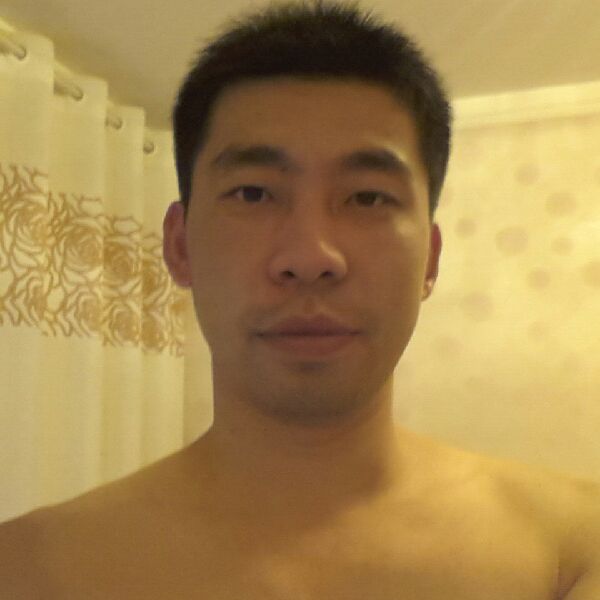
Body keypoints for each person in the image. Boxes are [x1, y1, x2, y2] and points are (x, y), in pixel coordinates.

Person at [1, 1, 599, 598]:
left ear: (430, 259)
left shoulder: (574, 549)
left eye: (367, 198)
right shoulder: (27, 569)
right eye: (253, 193)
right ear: (180, 246)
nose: (311, 256)